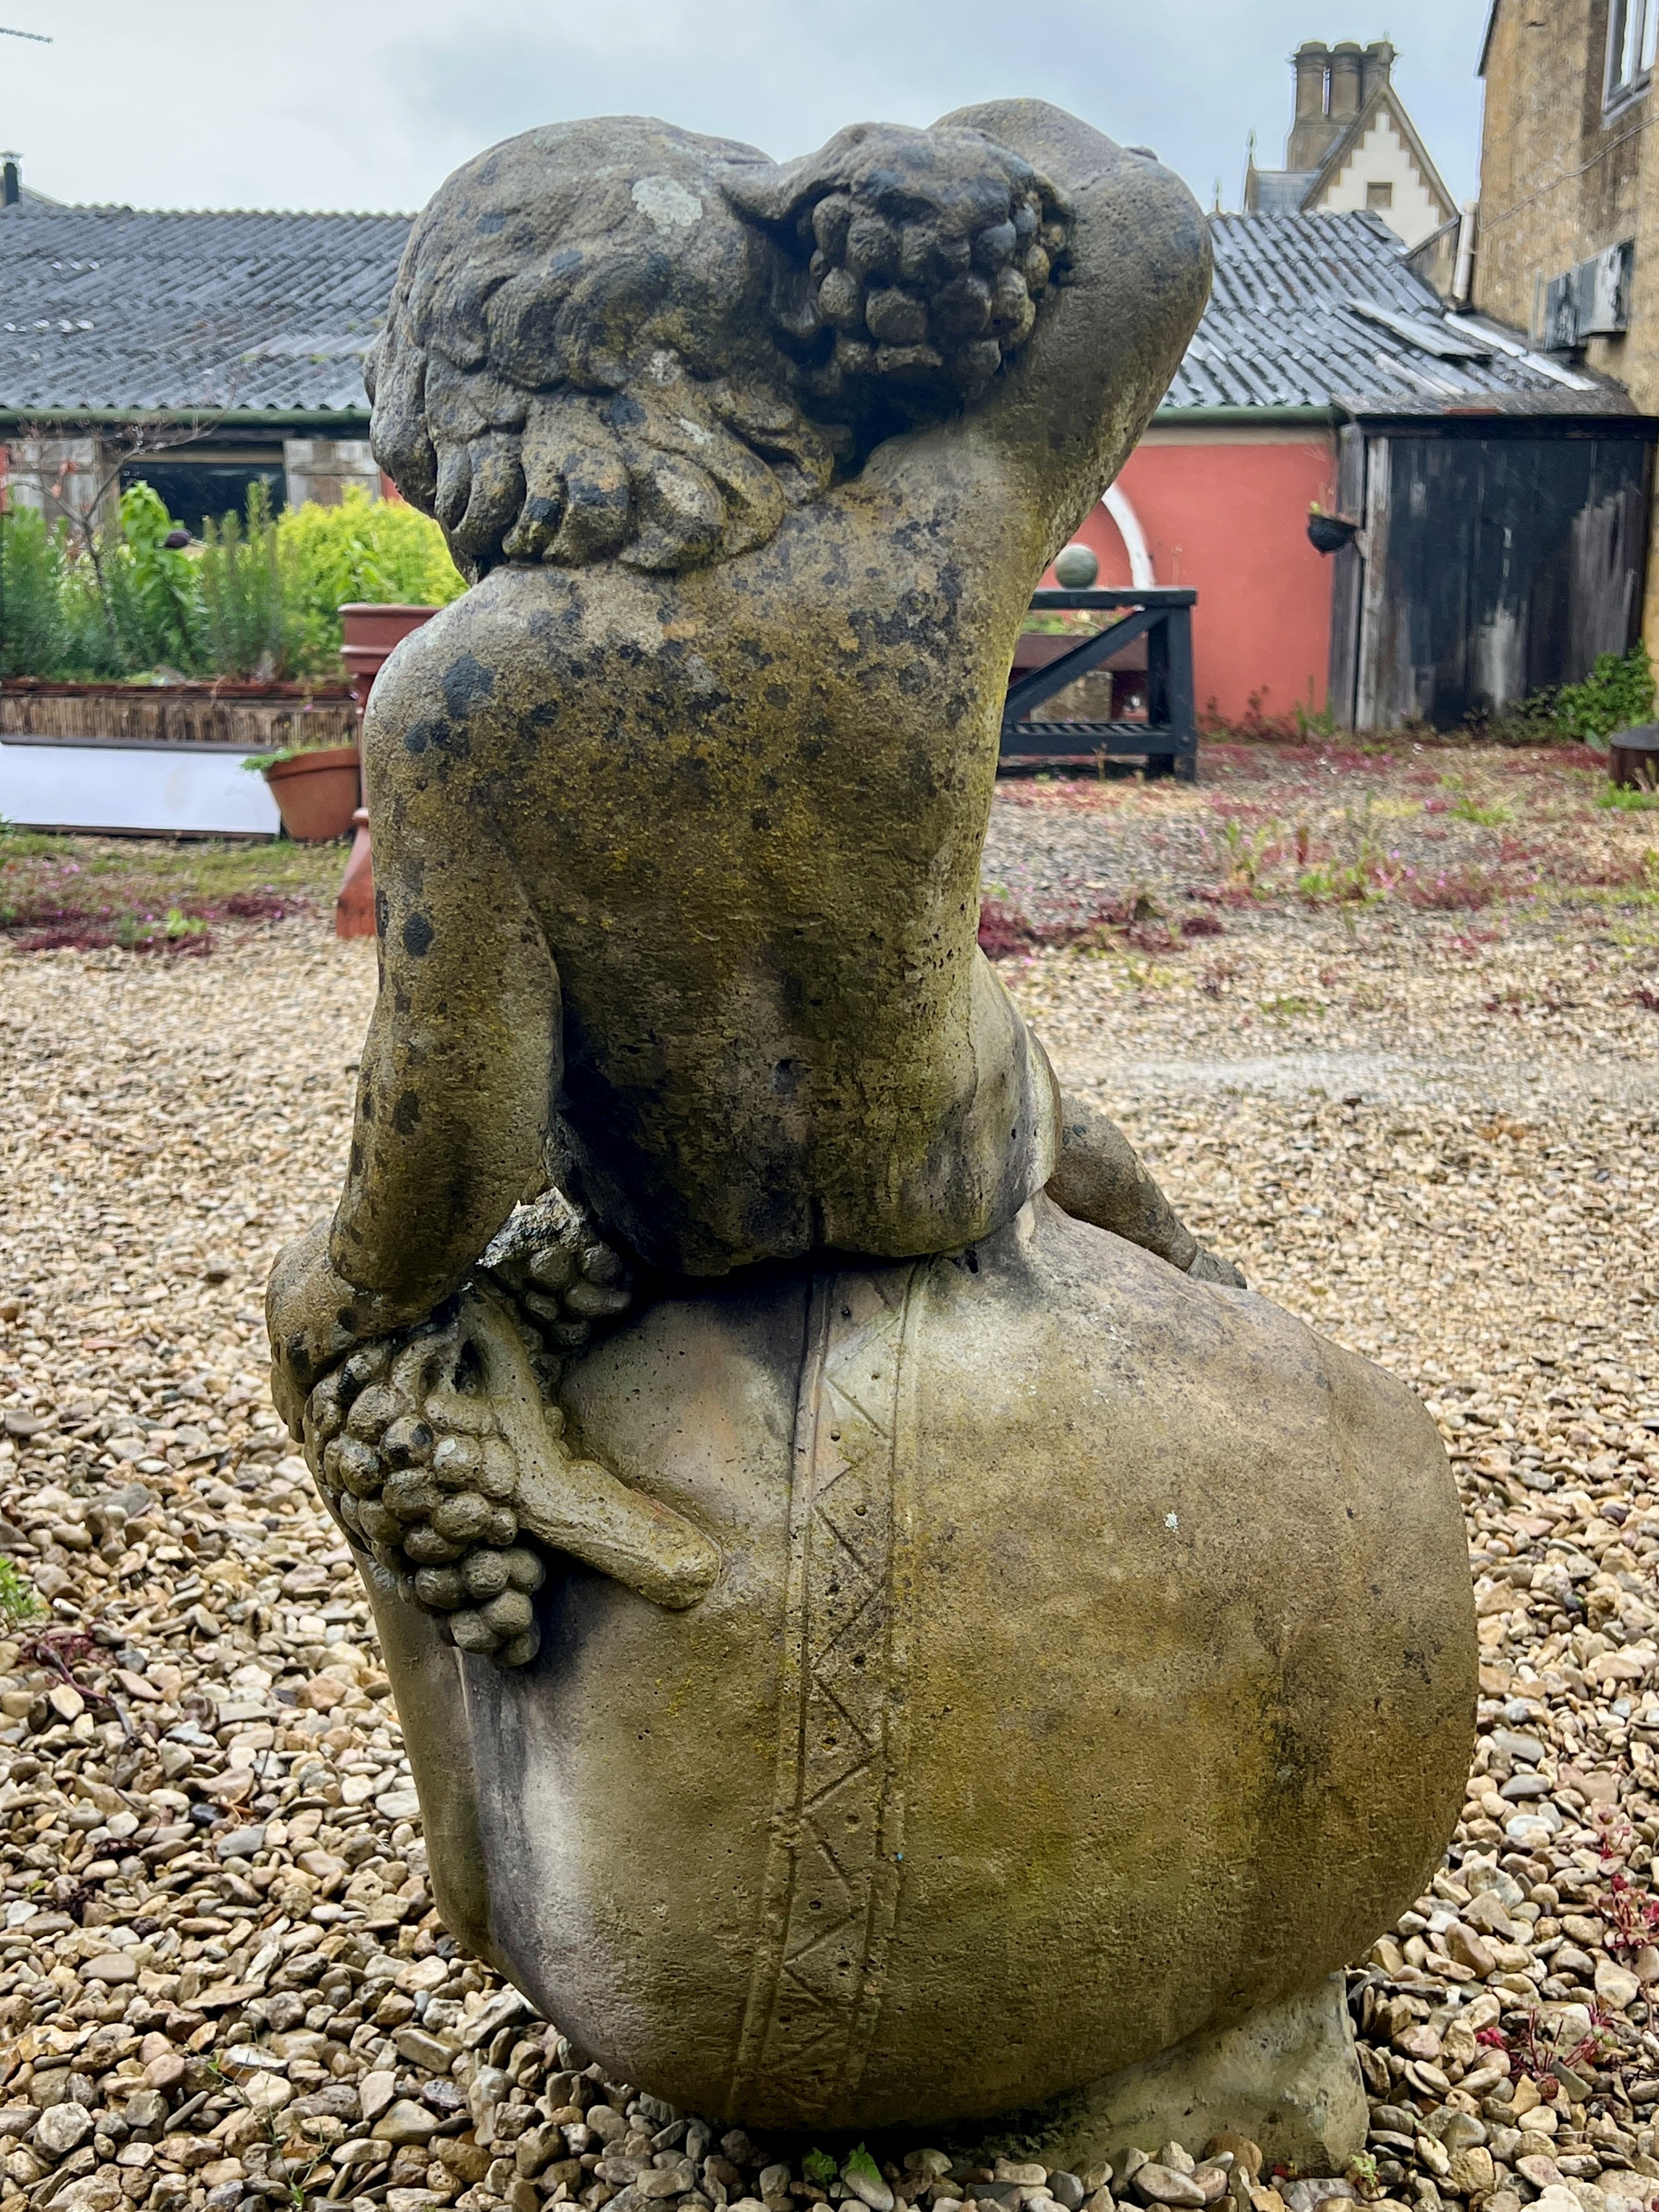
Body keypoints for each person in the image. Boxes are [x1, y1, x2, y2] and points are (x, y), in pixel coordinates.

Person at [269, 102, 1237, 1432]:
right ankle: (1196, 1274)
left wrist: (348, 1291)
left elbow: (464, 1119)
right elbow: (1153, 232)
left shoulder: (460, 696)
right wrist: (906, 177)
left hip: (685, 1220)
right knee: (990, 1034)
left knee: (322, 1323)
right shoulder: (933, 529)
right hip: (956, 1154)